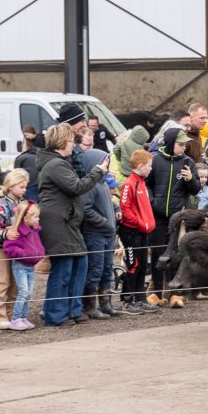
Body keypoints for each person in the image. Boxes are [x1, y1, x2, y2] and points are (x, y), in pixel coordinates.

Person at [36, 123, 106, 327]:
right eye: (70, 141)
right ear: (61, 143)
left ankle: (72, 310)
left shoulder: (60, 163)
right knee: (63, 269)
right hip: (58, 222)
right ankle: (56, 315)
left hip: (67, 221)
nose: (72, 146)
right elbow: (75, 187)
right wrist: (97, 172)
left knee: (78, 264)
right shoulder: (56, 165)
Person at [146, 128, 199, 307]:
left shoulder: (188, 162)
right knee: (157, 254)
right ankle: (155, 293)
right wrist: (153, 202)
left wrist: (190, 179)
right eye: (180, 144)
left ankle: (175, 294)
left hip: (177, 219)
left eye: (185, 145)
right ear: (169, 143)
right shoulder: (155, 160)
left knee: (175, 254)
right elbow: (148, 184)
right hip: (158, 217)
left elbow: (195, 189)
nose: (184, 147)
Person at [80, 146, 121, 319]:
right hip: (95, 234)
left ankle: (106, 303)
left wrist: (116, 207)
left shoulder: (103, 183)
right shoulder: (90, 185)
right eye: (105, 162)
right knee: (95, 270)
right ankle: (90, 306)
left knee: (106, 269)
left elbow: (106, 203)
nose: (107, 166)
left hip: (107, 234)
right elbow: (86, 209)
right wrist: (104, 222)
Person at [0, 169, 30, 331]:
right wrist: (6, 234)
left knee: (15, 283)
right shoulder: (1, 206)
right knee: (0, 282)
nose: (24, 190)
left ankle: (12, 314)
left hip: (18, 249)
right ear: (11, 186)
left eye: (25, 187)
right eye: (21, 187)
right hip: (2, 250)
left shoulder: (22, 203)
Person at [118, 149, 157, 314]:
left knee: (142, 265)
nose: (151, 169)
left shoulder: (141, 182)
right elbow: (125, 208)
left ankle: (140, 299)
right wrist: (139, 223)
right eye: (149, 166)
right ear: (140, 166)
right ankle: (127, 300)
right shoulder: (129, 183)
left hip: (142, 231)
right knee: (133, 265)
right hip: (131, 232)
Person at [1, 200, 45, 331]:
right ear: (25, 218)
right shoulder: (16, 231)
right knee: (23, 291)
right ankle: (16, 318)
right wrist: (23, 254)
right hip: (20, 265)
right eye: (35, 216)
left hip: (31, 266)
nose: (38, 219)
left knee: (29, 293)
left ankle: (24, 317)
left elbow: (38, 244)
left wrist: (40, 253)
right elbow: (9, 248)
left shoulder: (34, 230)